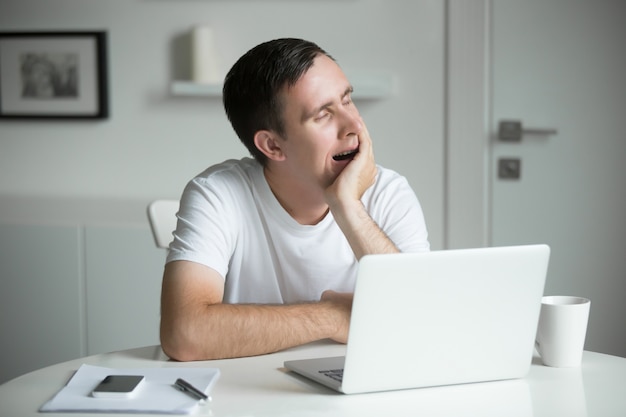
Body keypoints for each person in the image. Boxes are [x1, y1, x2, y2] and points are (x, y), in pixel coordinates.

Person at [160, 38, 429, 361]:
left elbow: (421, 322)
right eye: (323, 115)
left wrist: (348, 208)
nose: (354, 125)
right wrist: (331, 316)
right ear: (273, 146)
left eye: (347, 100)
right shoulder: (218, 194)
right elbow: (185, 335)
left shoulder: (389, 192)